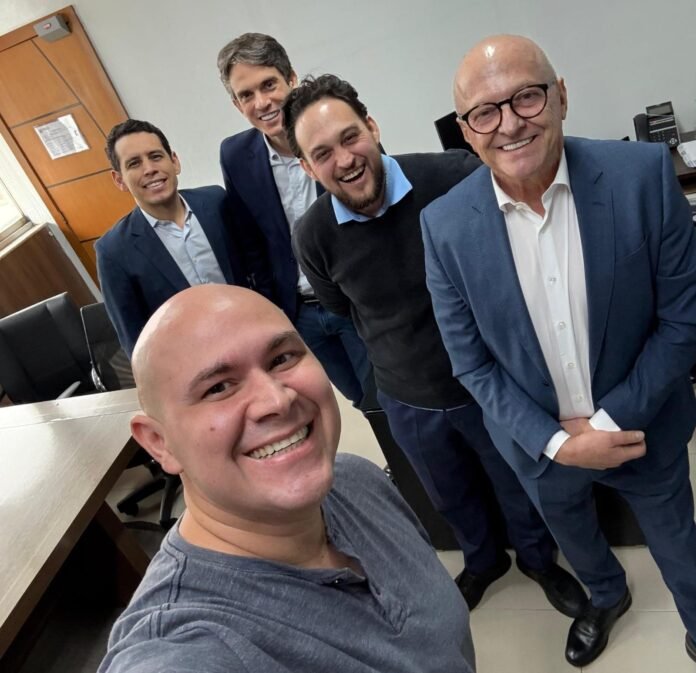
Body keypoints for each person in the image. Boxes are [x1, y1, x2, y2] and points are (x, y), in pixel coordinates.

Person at [421, 34, 696, 667]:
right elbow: (471, 362)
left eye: (527, 97)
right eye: (484, 112)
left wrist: (606, 425)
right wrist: (556, 443)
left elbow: (683, 320)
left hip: (643, 428)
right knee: (576, 537)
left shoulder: (643, 177)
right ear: (465, 131)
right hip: (539, 446)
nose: (509, 123)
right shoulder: (443, 227)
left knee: (681, 547)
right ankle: (606, 596)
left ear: (561, 95)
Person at [283, 74, 586, 615]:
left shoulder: (453, 177)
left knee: (517, 485)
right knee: (450, 496)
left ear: (372, 127)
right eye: (322, 154)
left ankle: (539, 560)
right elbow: (341, 309)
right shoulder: (313, 235)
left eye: (350, 137)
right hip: (407, 396)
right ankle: (483, 561)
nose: (344, 160)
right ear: (307, 167)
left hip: (488, 386)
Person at [97, 284, 476, 673]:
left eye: (281, 358)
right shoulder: (184, 646)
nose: (277, 400)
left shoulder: (357, 480)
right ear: (159, 443)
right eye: (218, 387)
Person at [216, 33, 371, 405]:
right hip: (299, 314)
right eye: (246, 95)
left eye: (269, 85)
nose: (262, 102)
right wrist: (274, 316)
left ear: (291, 78)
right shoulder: (235, 155)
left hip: (354, 302)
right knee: (357, 400)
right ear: (236, 104)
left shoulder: (337, 132)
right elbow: (252, 245)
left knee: (388, 398)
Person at [96, 119, 254, 356]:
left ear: (175, 161)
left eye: (156, 156)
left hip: (252, 331)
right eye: (134, 163)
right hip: (193, 359)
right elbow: (135, 341)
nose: (149, 169)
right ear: (119, 180)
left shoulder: (216, 201)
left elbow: (254, 263)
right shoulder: (113, 250)